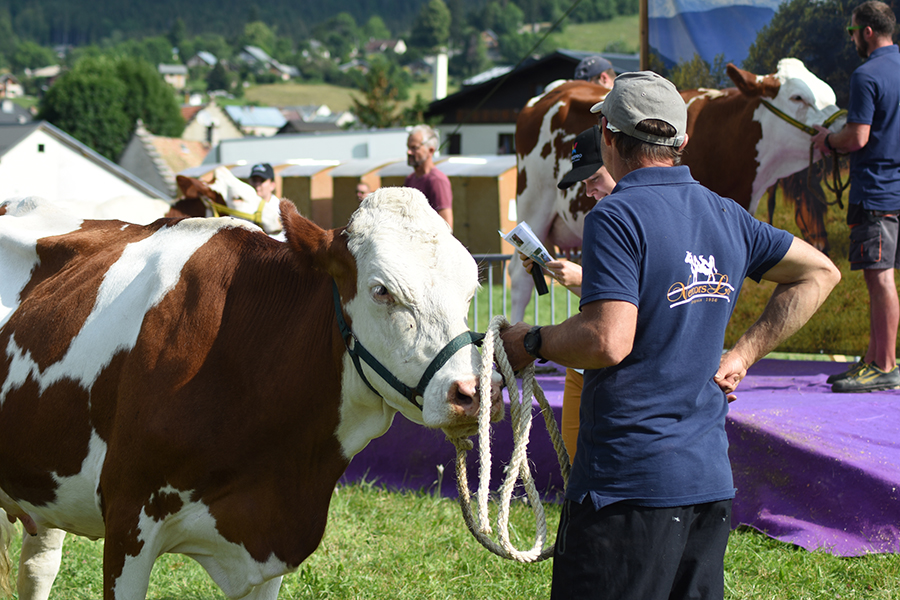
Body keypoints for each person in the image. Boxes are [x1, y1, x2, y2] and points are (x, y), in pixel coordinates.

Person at [500, 71, 840, 599]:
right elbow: (821, 273)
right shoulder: (728, 214)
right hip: (707, 484)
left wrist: (532, 342)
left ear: (608, 137)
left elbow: (608, 340)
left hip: (626, 487)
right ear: (682, 142)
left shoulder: (616, 214)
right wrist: (742, 356)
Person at [811, 0, 900, 393]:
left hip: (877, 192)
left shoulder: (867, 75)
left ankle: (884, 365)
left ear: (866, 31)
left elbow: (858, 137)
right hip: (896, 191)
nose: (851, 39)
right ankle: (873, 359)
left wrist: (828, 140)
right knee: (884, 279)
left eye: (852, 31)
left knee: (880, 281)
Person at [525, 125, 616, 462]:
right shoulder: (602, 218)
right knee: (576, 468)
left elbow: (637, 297)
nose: (589, 191)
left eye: (594, 178)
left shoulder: (632, 218)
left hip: (612, 367)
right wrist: (561, 273)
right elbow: (607, 294)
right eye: (584, 182)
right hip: (583, 365)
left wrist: (581, 276)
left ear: (617, 158)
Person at [405, 124, 453, 229]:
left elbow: (446, 227)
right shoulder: (410, 179)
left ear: (430, 151)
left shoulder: (437, 180)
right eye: (408, 147)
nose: (409, 152)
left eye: (414, 148)